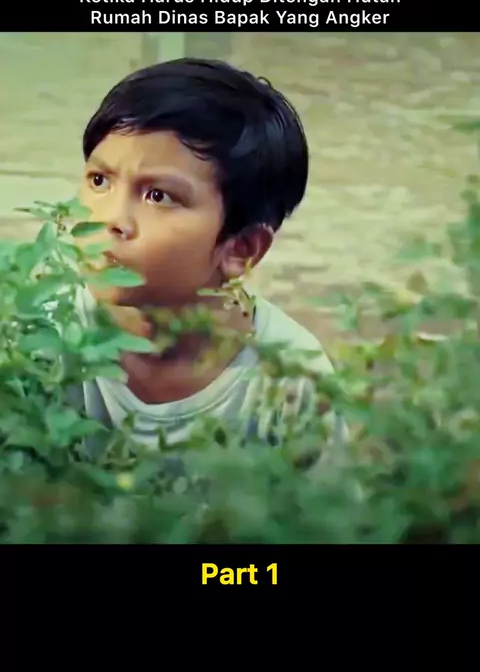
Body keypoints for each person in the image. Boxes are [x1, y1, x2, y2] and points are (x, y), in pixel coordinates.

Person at [67, 57, 347, 454]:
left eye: (159, 196)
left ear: (241, 249)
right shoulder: (38, 333)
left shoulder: (291, 378)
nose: (111, 219)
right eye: (99, 180)